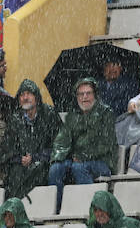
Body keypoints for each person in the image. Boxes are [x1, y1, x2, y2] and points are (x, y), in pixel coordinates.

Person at [49, 79, 118, 213]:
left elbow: (106, 144)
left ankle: (90, 210)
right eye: (81, 94)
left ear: (95, 95)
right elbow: (61, 141)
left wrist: (84, 156)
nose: (84, 97)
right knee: (55, 169)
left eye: (88, 93)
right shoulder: (72, 116)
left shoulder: (106, 113)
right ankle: (57, 212)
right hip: (77, 159)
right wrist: (58, 157)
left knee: (78, 167)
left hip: (103, 161)